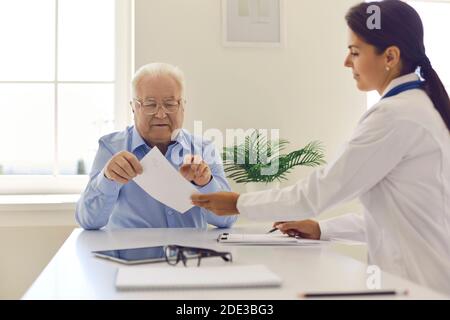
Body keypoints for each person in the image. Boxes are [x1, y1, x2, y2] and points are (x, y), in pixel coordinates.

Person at [191, 0, 450, 294]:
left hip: (422, 285)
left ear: (390, 56)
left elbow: (321, 190)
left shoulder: (396, 115)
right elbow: (394, 217)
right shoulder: (419, 106)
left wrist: (238, 203)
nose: (346, 62)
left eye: (354, 52)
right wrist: (322, 229)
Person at [76, 62, 237, 230]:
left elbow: (228, 220)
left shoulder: (204, 149)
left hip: (190, 254)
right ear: (133, 107)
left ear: (183, 106)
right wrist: (107, 178)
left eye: (170, 104)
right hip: (132, 254)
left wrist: (206, 183)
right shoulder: (111, 148)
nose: (161, 114)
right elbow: (88, 220)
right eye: (150, 104)